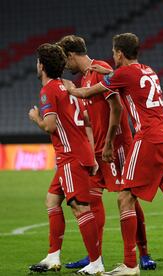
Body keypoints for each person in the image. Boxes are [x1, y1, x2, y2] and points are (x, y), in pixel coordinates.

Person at [64, 33, 163, 275]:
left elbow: (86, 93)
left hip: (147, 140)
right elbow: (125, 79)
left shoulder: (123, 74)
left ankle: (130, 264)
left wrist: (70, 88)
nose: (113, 57)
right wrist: (106, 74)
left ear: (119, 53)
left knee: (125, 198)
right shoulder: (149, 71)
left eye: (114, 53)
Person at [56, 35, 156, 270]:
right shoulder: (85, 79)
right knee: (90, 199)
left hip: (118, 147)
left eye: (65, 60)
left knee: (130, 199)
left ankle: (143, 253)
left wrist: (110, 142)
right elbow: (94, 117)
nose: (64, 65)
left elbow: (117, 107)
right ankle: (94, 257)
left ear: (71, 55)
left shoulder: (102, 70)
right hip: (100, 149)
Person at [28, 43, 104, 275]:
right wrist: (90, 153)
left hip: (70, 155)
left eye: (37, 61)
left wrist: (36, 118)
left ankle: (96, 262)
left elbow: (50, 125)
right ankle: (53, 256)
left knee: (79, 207)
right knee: (52, 200)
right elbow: (85, 121)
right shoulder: (67, 86)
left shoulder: (49, 90)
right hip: (78, 151)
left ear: (42, 65)